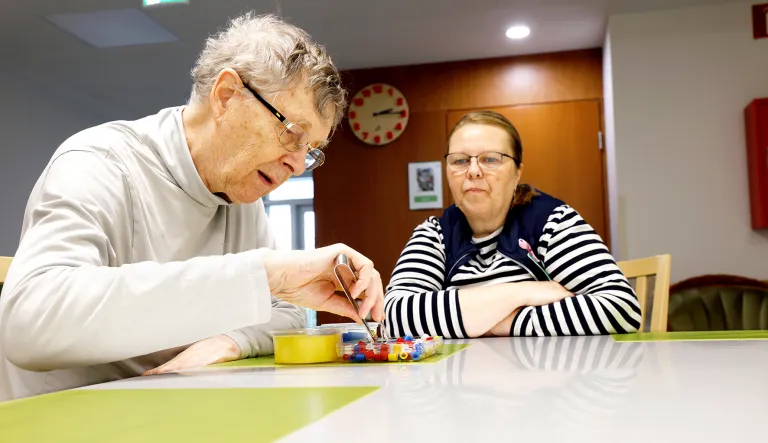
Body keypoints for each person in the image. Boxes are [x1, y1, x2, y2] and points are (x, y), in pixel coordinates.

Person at [0, 12, 384, 401]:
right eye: (293, 134)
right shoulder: (98, 162)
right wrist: (262, 273)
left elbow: (285, 313)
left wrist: (231, 340)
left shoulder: (238, 194)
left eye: (311, 150)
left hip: (168, 408)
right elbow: (30, 322)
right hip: (65, 416)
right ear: (227, 96)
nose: (299, 164)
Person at [384, 111, 641, 338]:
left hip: (549, 384)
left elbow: (620, 308)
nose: (473, 171)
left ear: (517, 171)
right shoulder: (434, 235)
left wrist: (498, 323)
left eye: (491, 159)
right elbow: (394, 318)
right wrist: (522, 293)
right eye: (460, 160)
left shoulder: (552, 222)